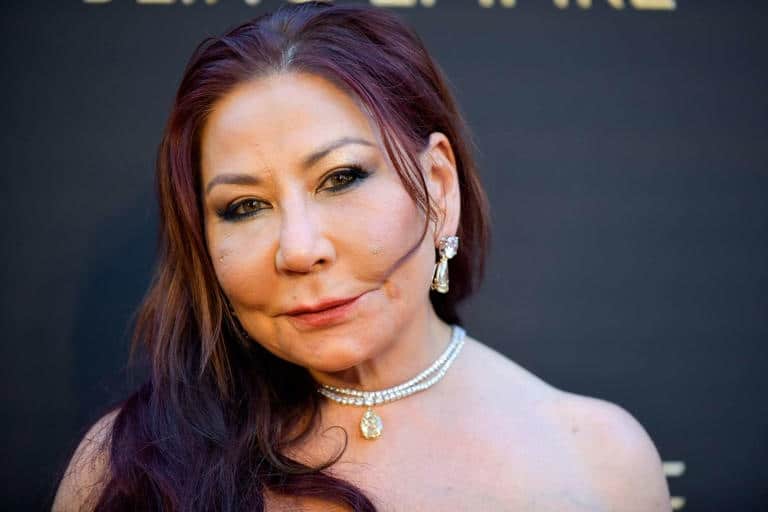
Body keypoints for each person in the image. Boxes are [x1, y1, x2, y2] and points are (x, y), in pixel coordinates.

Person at [54, 2, 671, 511]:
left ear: (439, 187)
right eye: (245, 206)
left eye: (341, 178)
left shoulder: (599, 462)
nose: (299, 249)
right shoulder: (125, 469)